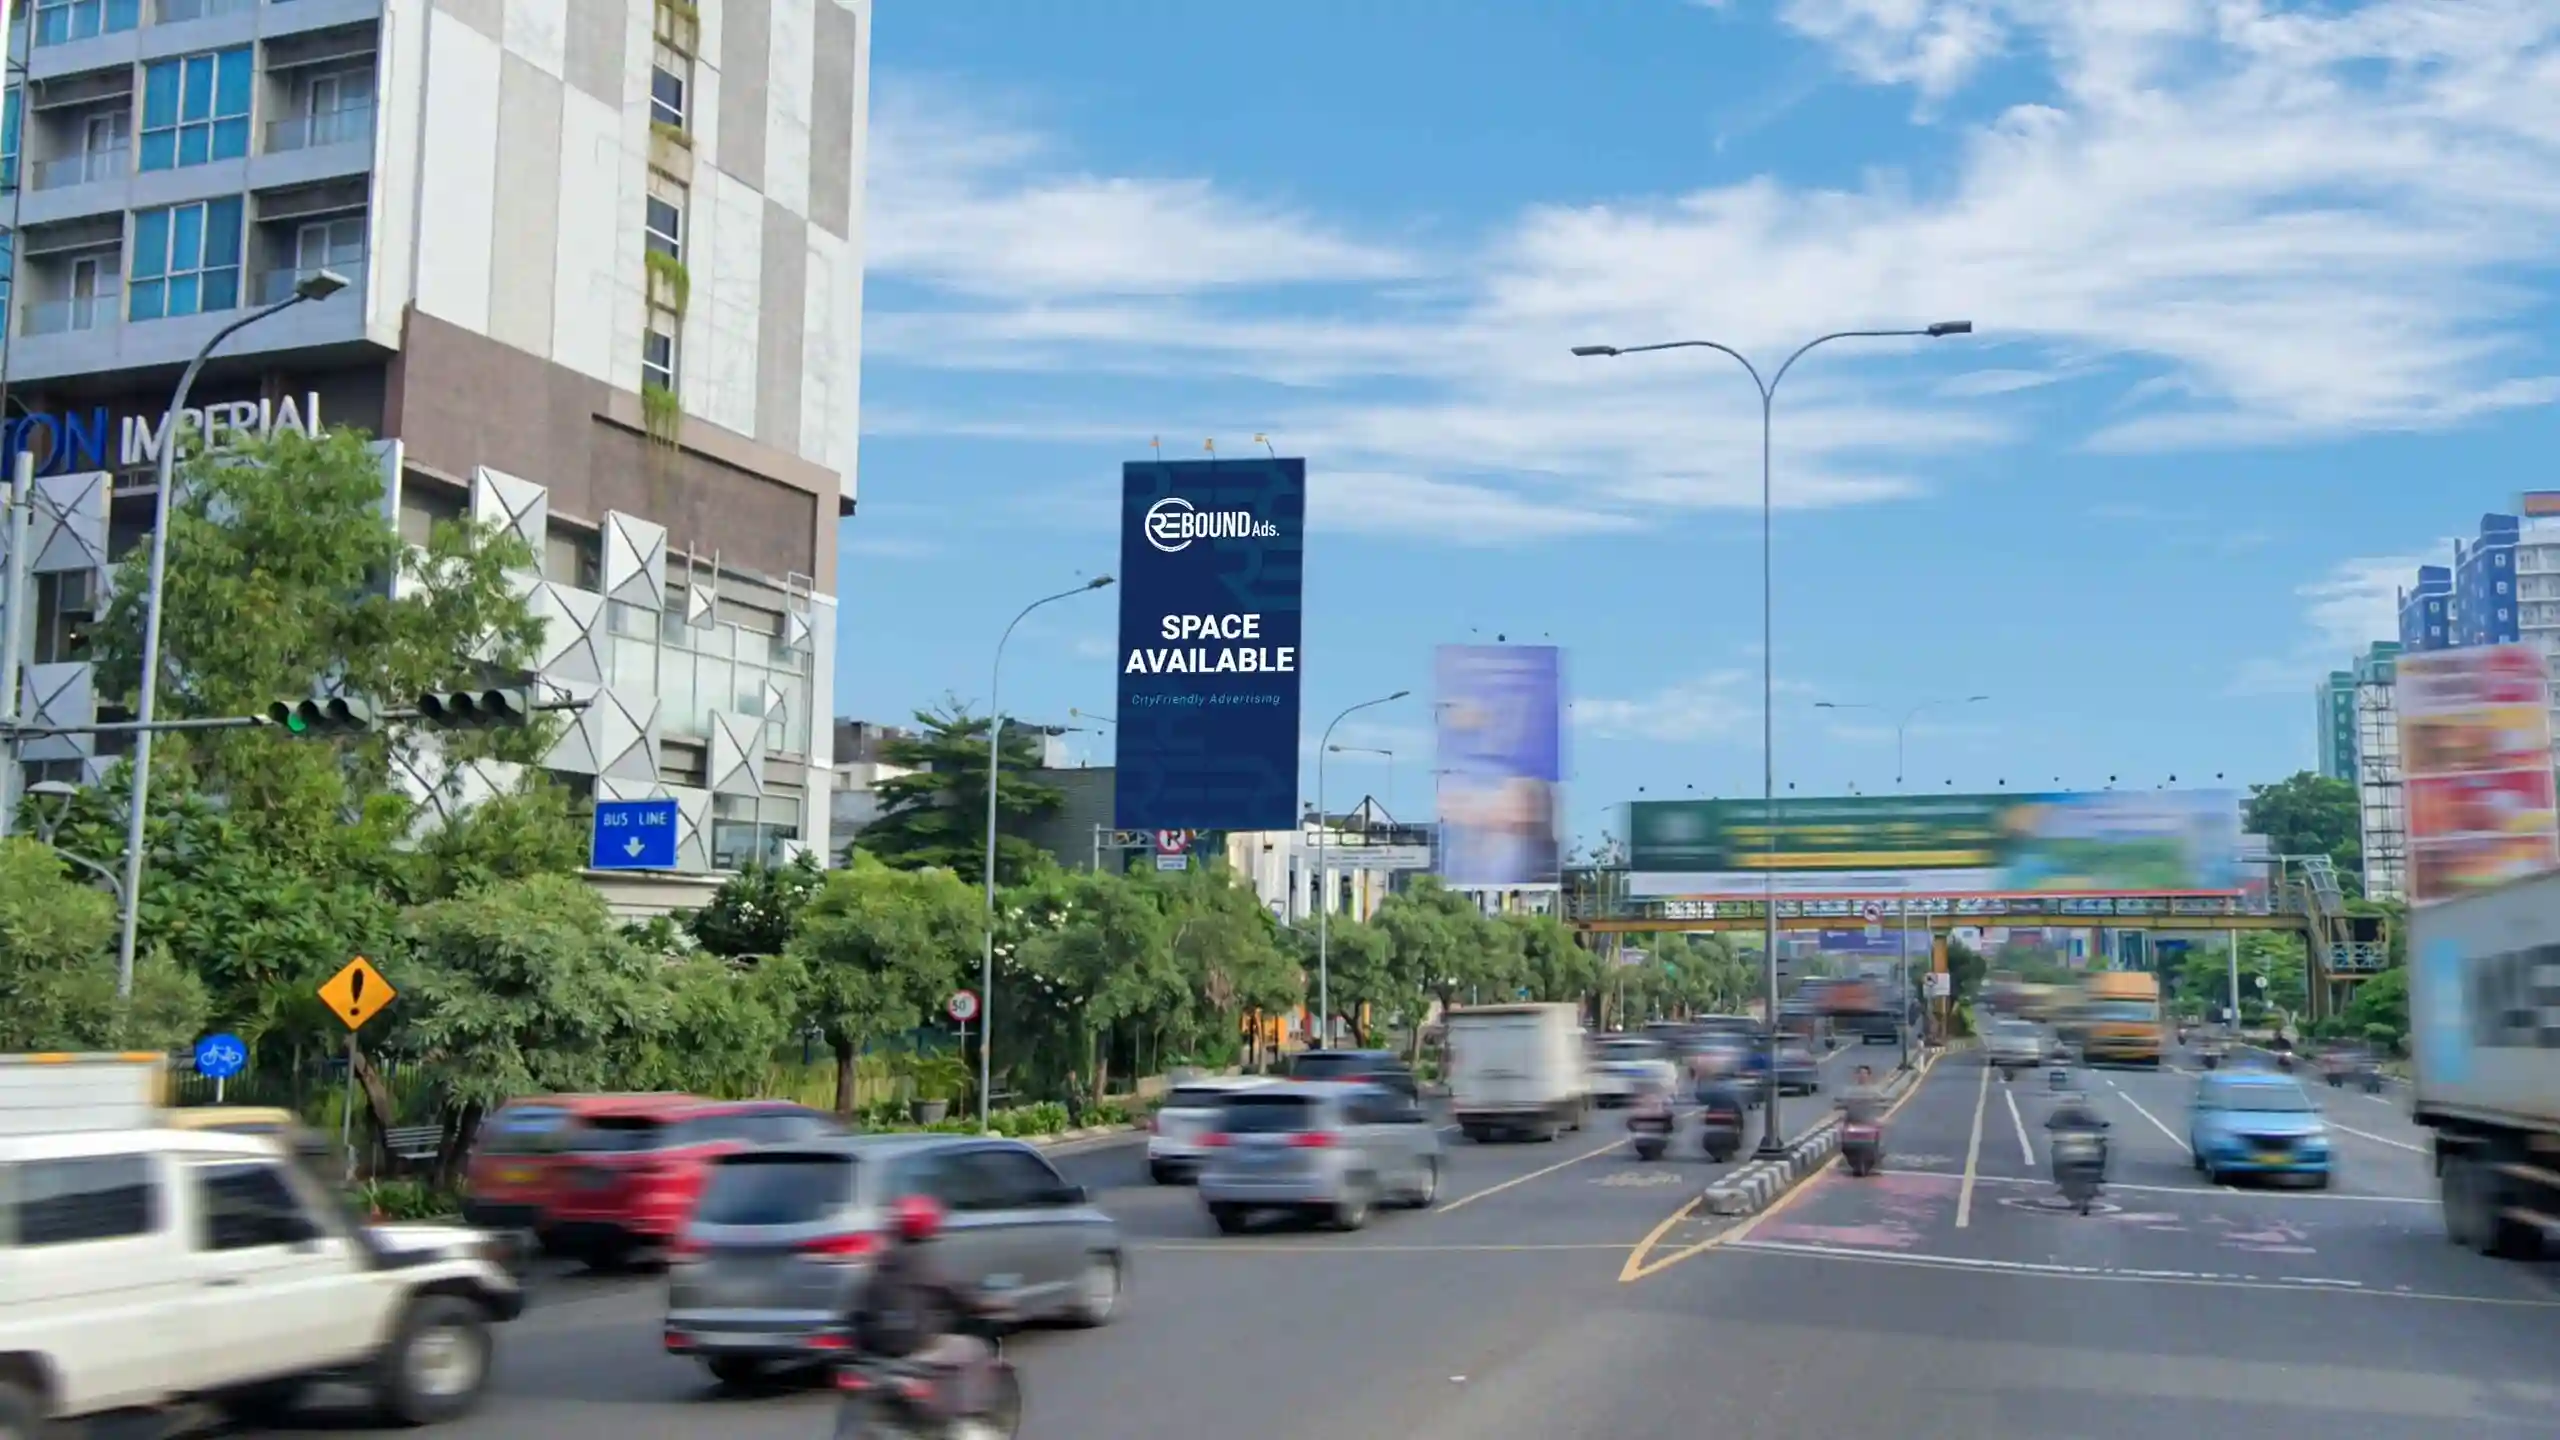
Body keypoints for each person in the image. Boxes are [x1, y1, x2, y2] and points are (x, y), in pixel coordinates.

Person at [847, 1195, 993, 1389]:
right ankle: (966, 1414)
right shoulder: (920, 1259)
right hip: (911, 1341)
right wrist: (983, 1304)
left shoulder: (881, 1256)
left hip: (873, 1341)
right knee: (974, 1350)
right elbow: (952, 1291)